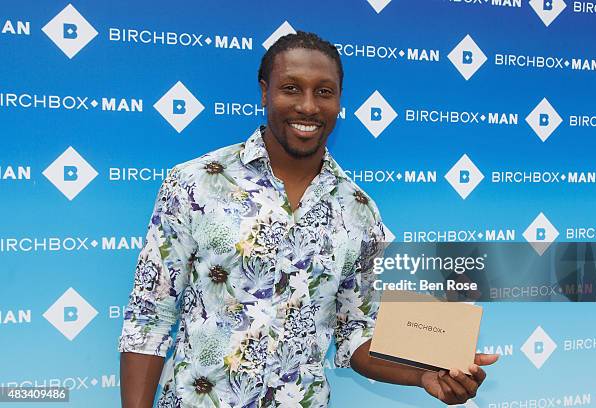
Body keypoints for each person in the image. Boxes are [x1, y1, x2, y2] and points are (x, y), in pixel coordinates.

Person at [119, 31, 498, 408]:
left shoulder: (359, 210)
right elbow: (149, 318)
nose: (307, 106)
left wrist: (424, 375)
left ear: (338, 102)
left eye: (324, 92)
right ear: (265, 92)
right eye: (290, 88)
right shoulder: (194, 183)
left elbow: (356, 337)